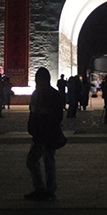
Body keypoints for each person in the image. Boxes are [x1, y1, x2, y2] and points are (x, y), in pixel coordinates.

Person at [24, 67, 65, 200]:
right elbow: (33, 112)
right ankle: (40, 188)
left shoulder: (53, 95)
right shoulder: (36, 94)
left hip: (48, 134)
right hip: (38, 134)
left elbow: (58, 115)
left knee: (48, 162)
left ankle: (49, 190)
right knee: (32, 161)